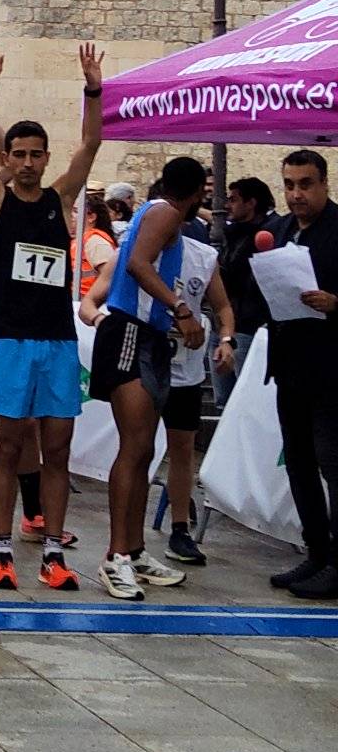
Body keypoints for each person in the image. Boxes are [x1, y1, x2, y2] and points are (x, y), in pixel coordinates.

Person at [0, 40, 102, 592]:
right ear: (7, 158)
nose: (26, 162)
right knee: (10, 445)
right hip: (9, 342)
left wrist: (92, 87)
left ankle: (51, 551)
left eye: (35, 154)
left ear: (45, 158)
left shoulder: (60, 200)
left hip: (57, 343)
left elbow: (91, 142)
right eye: (17, 154)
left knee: (59, 450)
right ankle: (1, 551)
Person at [86, 156, 208, 602]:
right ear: (195, 192)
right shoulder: (166, 212)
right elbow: (138, 263)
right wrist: (179, 307)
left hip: (149, 336)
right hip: (129, 335)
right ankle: (115, 555)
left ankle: (134, 550)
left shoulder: (154, 212)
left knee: (144, 450)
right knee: (134, 446)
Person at [264, 150, 338, 599]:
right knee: (299, 464)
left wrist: (337, 303)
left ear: (325, 183)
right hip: (291, 366)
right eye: (289, 184)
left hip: (333, 370)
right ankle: (317, 551)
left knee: (333, 465)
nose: (296, 194)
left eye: (305, 184)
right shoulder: (280, 231)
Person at [157, 234, 235, 567]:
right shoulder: (136, 249)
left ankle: (179, 529)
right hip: (144, 362)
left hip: (185, 367)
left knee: (183, 447)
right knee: (137, 447)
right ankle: (125, 537)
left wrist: (227, 339)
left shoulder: (202, 255)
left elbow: (222, 306)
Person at [215, 175, 275, 404]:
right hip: (226, 321)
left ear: (251, 203)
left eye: (234, 199)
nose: (228, 205)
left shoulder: (267, 234)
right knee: (223, 398)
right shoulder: (234, 233)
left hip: (248, 323)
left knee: (245, 397)